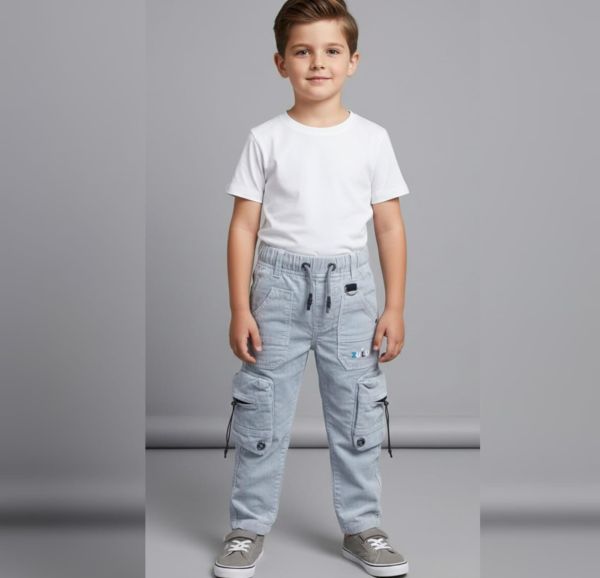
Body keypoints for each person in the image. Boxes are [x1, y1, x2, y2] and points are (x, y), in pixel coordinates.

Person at [214, 1, 411, 576]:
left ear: (353, 61)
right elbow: (243, 226)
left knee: (357, 414)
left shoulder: (372, 139)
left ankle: (362, 527)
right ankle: (247, 528)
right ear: (281, 63)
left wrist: (395, 306)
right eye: (302, 51)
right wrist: (239, 307)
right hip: (277, 293)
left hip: (350, 295)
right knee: (262, 413)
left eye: (331, 51)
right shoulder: (266, 138)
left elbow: (389, 226)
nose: (317, 63)